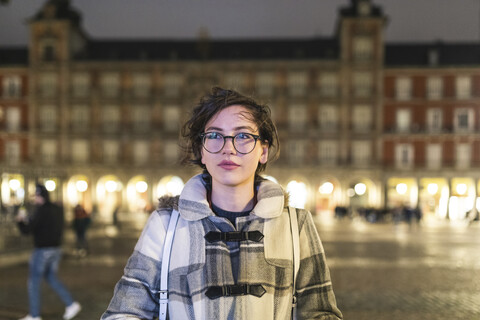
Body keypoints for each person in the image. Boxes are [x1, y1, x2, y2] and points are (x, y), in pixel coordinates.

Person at [102, 87, 343, 319]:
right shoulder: (166, 225)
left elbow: (321, 313)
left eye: (243, 136)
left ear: (263, 151)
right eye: (215, 136)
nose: (229, 148)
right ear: (202, 151)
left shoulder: (295, 225)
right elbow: (124, 311)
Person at [16, 184, 81, 320]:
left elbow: (28, 230)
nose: (35, 199)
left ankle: (34, 315)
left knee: (34, 282)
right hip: (56, 249)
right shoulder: (57, 208)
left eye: (36, 196)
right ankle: (71, 304)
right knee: (51, 277)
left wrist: (20, 221)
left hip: (42, 250)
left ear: (40, 196)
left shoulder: (41, 210)